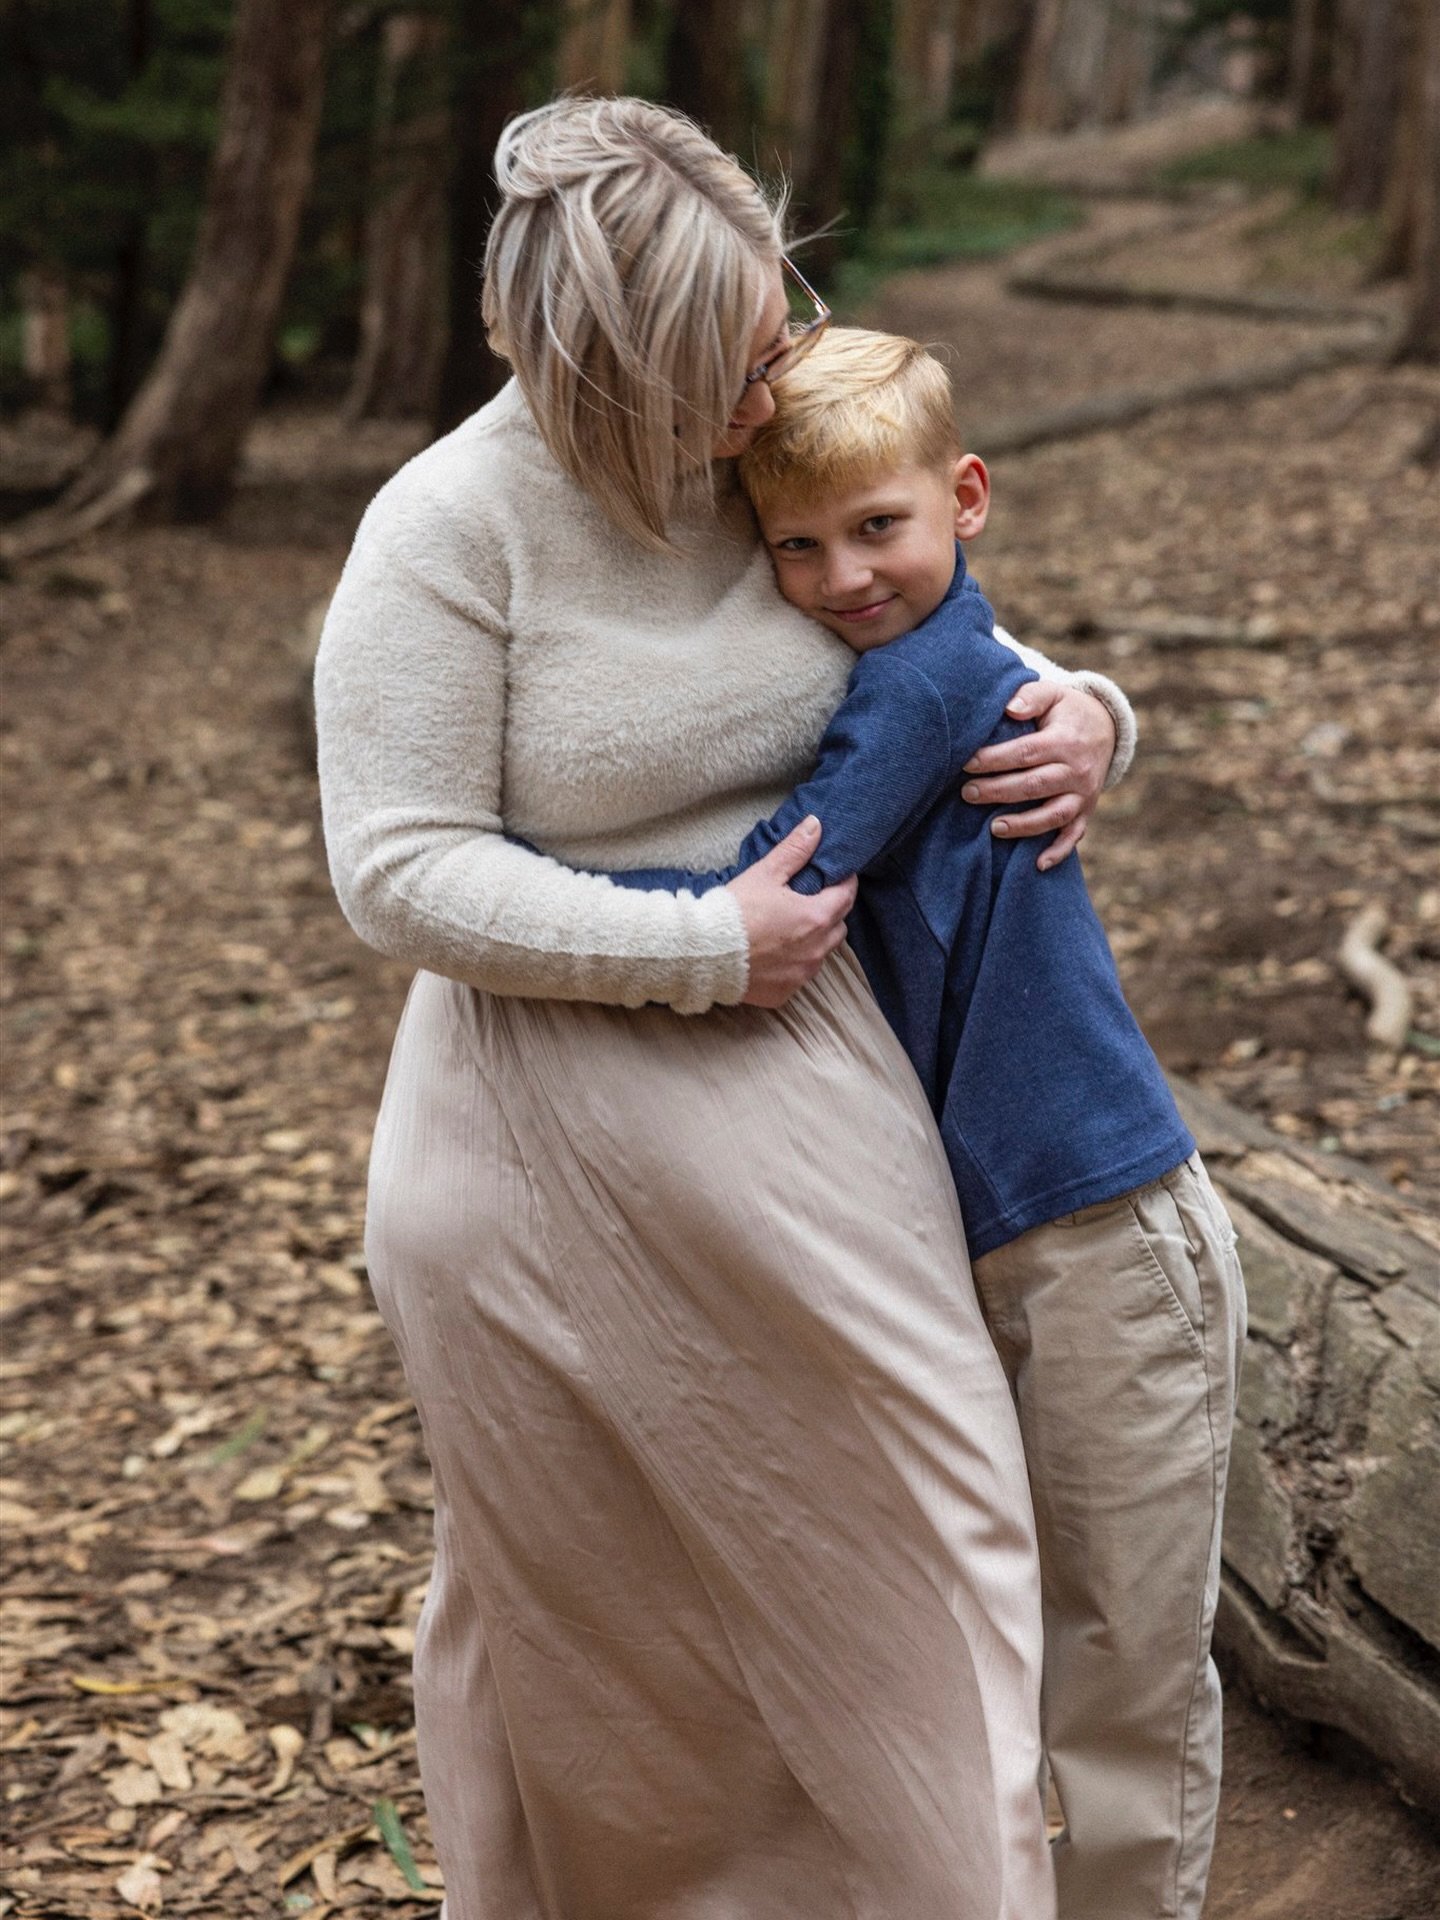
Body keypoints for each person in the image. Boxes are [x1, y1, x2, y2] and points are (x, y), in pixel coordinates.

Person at [315, 95, 1137, 1920]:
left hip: (802, 1096)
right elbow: (394, 866)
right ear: (614, 370)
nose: (776, 381)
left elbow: (929, 612)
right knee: (603, 1607)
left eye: (780, 324)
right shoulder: (447, 526)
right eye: (736, 357)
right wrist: (697, 944)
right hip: (530, 1124)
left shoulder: (756, 446)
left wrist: (1087, 714)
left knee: (927, 1544)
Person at [589, 327, 1248, 1920]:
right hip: (987, 1238)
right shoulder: (908, 652)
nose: (842, 577)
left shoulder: (927, 677)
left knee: (1125, 1660)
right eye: (796, 547)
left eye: (876, 527)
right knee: (1013, 1633)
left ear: (967, 497)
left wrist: (546, 905)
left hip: (1101, 1230)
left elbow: (791, 871)